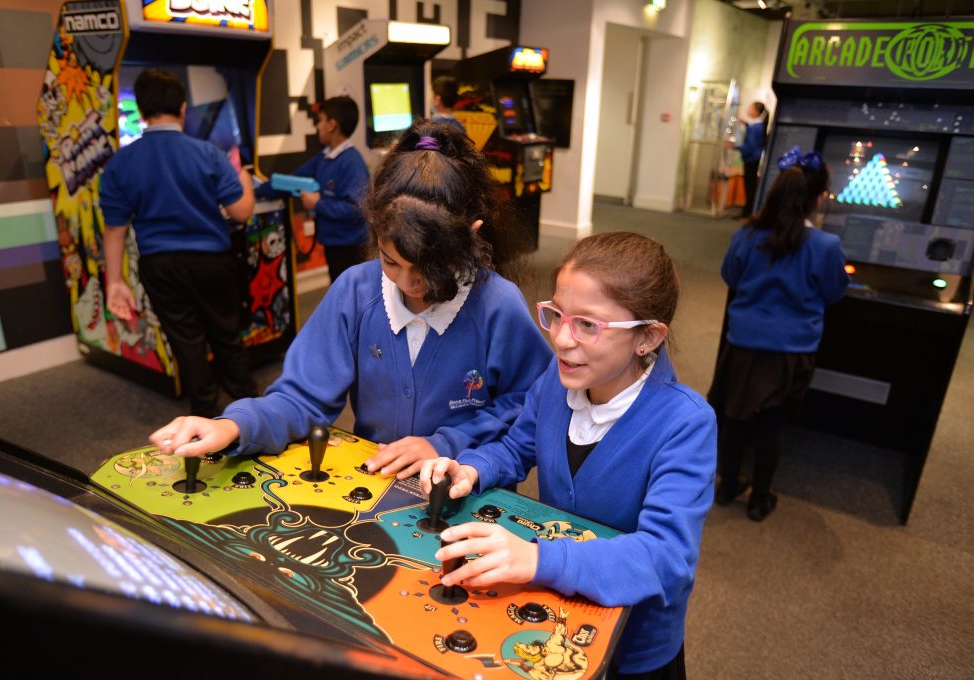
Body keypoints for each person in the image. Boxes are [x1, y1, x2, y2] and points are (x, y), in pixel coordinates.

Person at [149, 121, 552, 480]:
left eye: (430, 268)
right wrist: (234, 425)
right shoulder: (356, 291)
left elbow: (530, 405)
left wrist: (447, 442)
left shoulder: (497, 304)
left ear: (472, 233)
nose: (408, 283)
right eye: (391, 262)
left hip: (466, 487)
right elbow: (302, 396)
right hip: (376, 486)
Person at [419, 231, 717, 679]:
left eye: (588, 325)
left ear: (648, 337)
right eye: (556, 315)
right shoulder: (557, 381)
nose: (560, 339)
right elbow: (516, 447)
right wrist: (471, 469)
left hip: (633, 648)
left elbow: (666, 556)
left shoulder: (686, 423)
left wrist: (540, 560)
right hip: (555, 619)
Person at [101, 68, 257, 418]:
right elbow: (241, 211)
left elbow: (115, 230)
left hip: (160, 266)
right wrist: (244, 179)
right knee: (226, 335)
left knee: (187, 342)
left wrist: (114, 281)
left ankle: (203, 413)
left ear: (141, 111)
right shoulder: (208, 154)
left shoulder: (120, 163)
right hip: (212, 261)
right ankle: (248, 407)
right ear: (183, 108)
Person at [708, 147, 849, 521]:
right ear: (819, 198)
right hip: (792, 349)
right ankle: (760, 499)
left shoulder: (747, 235)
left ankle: (727, 486)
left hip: (744, 342)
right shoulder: (826, 246)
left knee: (735, 417)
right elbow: (834, 291)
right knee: (773, 423)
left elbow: (730, 276)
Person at [293, 96, 370, 282]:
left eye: (320, 120)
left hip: (349, 248)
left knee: (349, 293)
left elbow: (356, 208)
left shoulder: (352, 163)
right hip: (334, 244)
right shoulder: (324, 157)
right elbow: (296, 177)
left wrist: (317, 204)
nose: (317, 126)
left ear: (331, 125)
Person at [733, 101, 769, 218]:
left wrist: (735, 147)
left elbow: (750, 146)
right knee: (751, 185)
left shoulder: (756, 127)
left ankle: (747, 211)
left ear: (756, 111)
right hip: (754, 159)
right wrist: (747, 125)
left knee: (749, 186)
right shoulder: (758, 126)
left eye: (751, 108)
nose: (748, 109)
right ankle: (748, 210)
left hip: (751, 159)